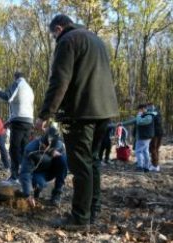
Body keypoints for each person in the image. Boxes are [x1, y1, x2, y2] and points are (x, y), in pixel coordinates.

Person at [35, 14, 118, 229]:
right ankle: (92, 211)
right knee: (92, 162)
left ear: (59, 28)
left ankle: (80, 218)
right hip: (104, 111)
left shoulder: (67, 41)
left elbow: (60, 80)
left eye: (53, 34)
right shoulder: (96, 40)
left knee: (80, 166)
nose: (54, 39)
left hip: (81, 112)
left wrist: (45, 114)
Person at [0, 72, 34, 182]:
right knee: (24, 149)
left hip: (19, 122)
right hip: (28, 121)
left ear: (15, 77)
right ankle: (25, 176)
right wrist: (9, 120)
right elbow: (23, 106)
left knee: (14, 149)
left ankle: (14, 176)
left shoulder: (17, 83)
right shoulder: (29, 89)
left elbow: (8, 97)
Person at [20, 126, 67, 207]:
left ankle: (57, 194)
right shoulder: (31, 149)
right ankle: (35, 192)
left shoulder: (60, 146)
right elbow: (25, 172)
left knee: (63, 159)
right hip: (37, 173)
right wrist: (28, 194)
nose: (52, 151)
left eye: (53, 148)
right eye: (47, 147)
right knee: (40, 184)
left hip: (51, 171)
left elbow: (64, 168)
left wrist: (56, 153)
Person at [147, 103, 164, 172]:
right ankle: (155, 164)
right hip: (158, 133)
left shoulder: (155, 113)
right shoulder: (157, 112)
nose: (148, 109)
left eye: (148, 107)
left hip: (155, 133)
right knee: (155, 149)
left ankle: (155, 165)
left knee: (153, 148)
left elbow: (157, 122)